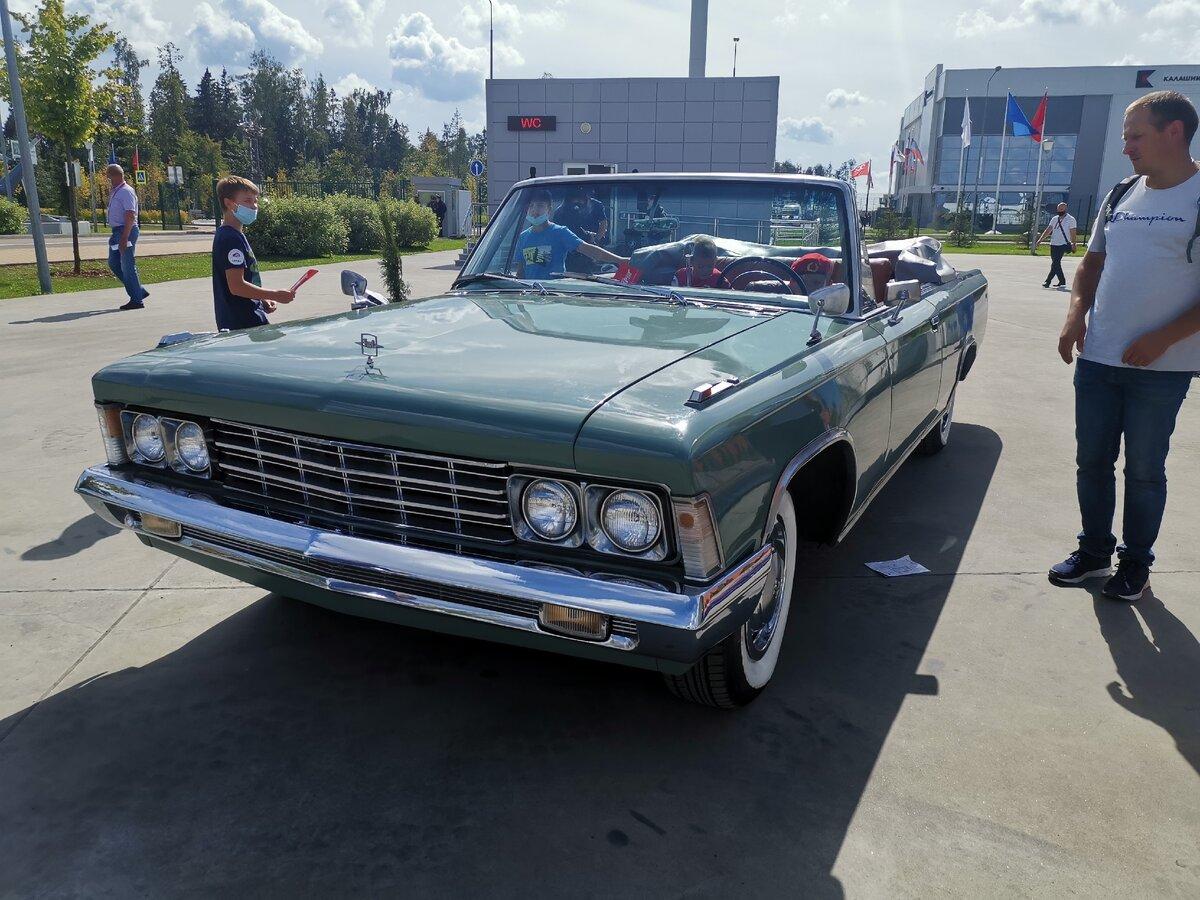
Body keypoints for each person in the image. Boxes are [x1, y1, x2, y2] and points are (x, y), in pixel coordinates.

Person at [1049, 90, 1200, 601]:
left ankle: (1135, 563)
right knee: (1092, 461)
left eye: (1136, 136)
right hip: (1098, 359)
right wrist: (1075, 316)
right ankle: (1093, 551)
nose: (1126, 147)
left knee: (1144, 471)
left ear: (1173, 132)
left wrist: (1163, 338)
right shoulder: (1121, 194)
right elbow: (1091, 264)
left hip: (1162, 368)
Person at [212, 176, 295, 330]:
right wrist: (274, 294)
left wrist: (262, 299)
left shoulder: (235, 235)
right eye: (248, 201)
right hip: (242, 322)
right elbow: (236, 286)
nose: (254, 206)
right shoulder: (230, 238)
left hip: (249, 316)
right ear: (229, 203)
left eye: (256, 201)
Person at [514, 188, 627, 279]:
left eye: (540, 205)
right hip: (531, 293)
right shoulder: (523, 237)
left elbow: (589, 250)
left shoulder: (560, 232)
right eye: (531, 206)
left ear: (549, 209)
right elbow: (520, 272)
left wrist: (621, 260)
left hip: (555, 293)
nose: (534, 210)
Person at [105, 164, 149, 311]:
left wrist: (124, 237)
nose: (108, 179)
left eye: (109, 176)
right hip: (117, 232)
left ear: (116, 175)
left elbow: (130, 215)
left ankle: (137, 300)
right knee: (114, 263)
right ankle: (138, 291)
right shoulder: (116, 191)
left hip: (125, 231)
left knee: (127, 265)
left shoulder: (126, 191)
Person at [1035, 201, 1078, 290]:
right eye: (1058, 209)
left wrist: (1074, 243)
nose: (1059, 210)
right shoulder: (1054, 219)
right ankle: (1062, 281)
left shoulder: (1071, 219)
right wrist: (1040, 239)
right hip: (1053, 243)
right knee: (1056, 263)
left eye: (1061, 209)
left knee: (1055, 263)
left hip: (1063, 244)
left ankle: (1048, 281)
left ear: (1065, 209)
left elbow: (1073, 232)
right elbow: (1048, 230)